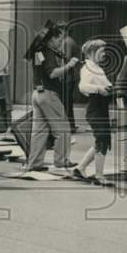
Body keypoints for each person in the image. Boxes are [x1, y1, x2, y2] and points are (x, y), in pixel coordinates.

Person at [23, 25, 77, 172]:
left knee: (40, 132)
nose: (61, 42)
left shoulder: (38, 51)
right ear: (51, 38)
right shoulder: (48, 52)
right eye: (59, 39)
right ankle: (62, 161)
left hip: (37, 94)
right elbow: (52, 73)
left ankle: (34, 164)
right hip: (49, 94)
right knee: (63, 129)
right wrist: (69, 65)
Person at [72, 39, 114, 186]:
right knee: (102, 139)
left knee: (102, 140)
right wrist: (98, 89)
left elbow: (106, 84)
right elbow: (83, 86)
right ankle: (99, 175)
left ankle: (80, 168)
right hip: (95, 108)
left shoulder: (97, 68)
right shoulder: (88, 68)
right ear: (91, 53)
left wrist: (109, 88)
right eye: (101, 51)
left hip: (101, 108)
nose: (104, 54)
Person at [56, 22, 80, 134]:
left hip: (68, 77)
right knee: (67, 102)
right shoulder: (69, 41)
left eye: (60, 30)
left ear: (64, 31)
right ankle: (71, 125)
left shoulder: (67, 42)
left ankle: (69, 126)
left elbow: (67, 58)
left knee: (66, 102)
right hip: (69, 76)